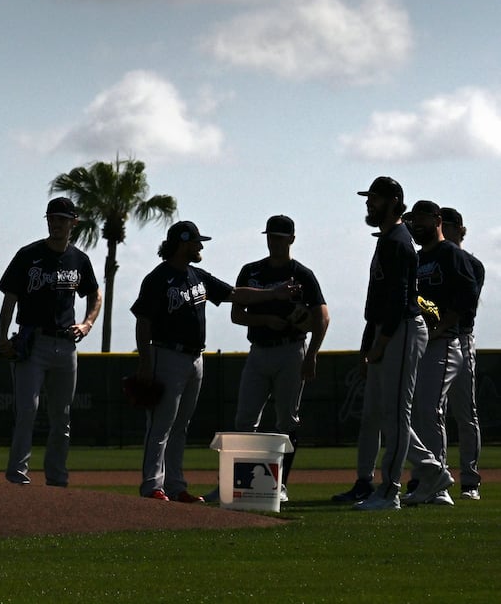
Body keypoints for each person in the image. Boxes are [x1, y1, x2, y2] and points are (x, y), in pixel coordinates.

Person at [129, 220, 299, 502]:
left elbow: (233, 293)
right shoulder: (158, 278)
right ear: (183, 243)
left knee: (180, 426)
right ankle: (151, 486)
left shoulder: (197, 275)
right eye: (197, 242)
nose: (200, 247)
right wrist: (145, 361)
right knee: (160, 425)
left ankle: (175, 486)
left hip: (195, 358)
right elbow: (143, 321)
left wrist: (273, 293)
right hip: (166, 354)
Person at [342, 178, 451, 510]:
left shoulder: (399, 241)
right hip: (386, 330)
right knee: (384, 414)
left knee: (397, 414)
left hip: (401, 329)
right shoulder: (387, 238)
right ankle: (433, 470)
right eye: (368, 198)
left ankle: (390, 491)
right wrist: (370, 344)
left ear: (393, 201)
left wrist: (380, 343)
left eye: (374, 198)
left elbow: (400, 299)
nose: (368, 203)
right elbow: (377, 302)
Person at [0, 196, 101, 487]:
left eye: (62, 219)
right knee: (27, 410)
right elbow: (10, 300)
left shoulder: (79, 259)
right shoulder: (29, 255)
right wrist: (2, 337)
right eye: (52, 218)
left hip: (66, 344)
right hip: (33, 342)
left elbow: (95, 293)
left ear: (73, 223)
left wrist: (88, 323)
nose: (56, 223)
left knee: (62, 417)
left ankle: (56, 477)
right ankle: (18, 475)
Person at [228, 214, 328, 502]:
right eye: (270, 236)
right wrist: (267, 320)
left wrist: (312, 355)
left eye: (280, 238)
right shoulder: (252, 271)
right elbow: (236, 315)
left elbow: (322, 317)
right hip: (259, 350)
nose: (274, 242)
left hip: (291, 349)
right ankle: (243, 483)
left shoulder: (302, 274)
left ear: (291, 240)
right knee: (245, 419)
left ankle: (279, 484)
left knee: (287, 420)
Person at [401, 199, 480, 506]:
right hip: (424, 340)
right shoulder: (419, 258)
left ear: (437, 221)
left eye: (423, 220)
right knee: (422, 411)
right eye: (414, 221)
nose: (417, 226)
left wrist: (441, 326)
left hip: (448, 339)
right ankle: (427, 479)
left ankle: (443, 483)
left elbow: (466, 297)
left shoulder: (451, 254)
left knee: (437, 410)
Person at [441, 207, 485, 500]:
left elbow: (466, 303)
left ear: (458, 228)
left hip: (460, 337)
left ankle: (470, 481)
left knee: (465, 414)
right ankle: (435, 476)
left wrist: (439, 321)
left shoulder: (471, 263)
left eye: (446, 224)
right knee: (432, 413)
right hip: (435, 339)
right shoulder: (429, 260)